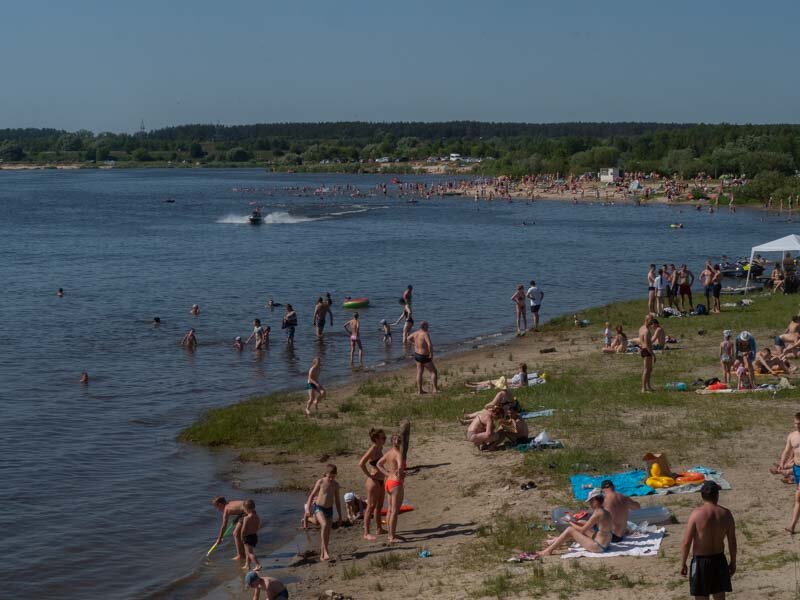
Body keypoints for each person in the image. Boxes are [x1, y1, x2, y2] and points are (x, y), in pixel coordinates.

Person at [680, 481, 736, 599]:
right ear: (717, 495)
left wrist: (683, 563)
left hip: (701, 562)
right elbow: (732, 542)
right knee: (720, 597)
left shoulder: (696, 515)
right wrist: (733, 562)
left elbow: (686, 542)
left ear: (702, 495)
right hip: (719, 560)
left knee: (701, 597)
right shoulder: (726, 514)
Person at [533, 488, 614, 558]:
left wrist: (569, 522)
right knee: (581, 522)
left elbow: (582, 530)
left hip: (598, 546)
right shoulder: (606, 511)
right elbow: (590, 525)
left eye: (591, 501)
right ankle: (556, 540)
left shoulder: (598, 512)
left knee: (570, 530)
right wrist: (575, 522)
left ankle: (548, 550)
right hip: (604, 543)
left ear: (595, 500)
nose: (590, 504)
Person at [305, 464, 343, 561]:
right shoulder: (321, 481)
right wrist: (307, 509)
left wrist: (340, 516)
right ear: (325, 474)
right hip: (319, 507)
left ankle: (322, 555)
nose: (331, 478)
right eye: (329, 476)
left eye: (333, 477)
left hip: (329, 509)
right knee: (324, 525)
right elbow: (312, 495)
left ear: (336, 475)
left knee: (327, 533)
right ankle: (326, 550)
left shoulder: (336, 485)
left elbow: (338, 501)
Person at [358, 428, 388, 540]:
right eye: (383, 438)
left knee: (379, 506)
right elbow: (361, 463)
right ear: (376, 439)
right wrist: (369, 475)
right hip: (373, 481)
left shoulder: (380, 448)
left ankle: (379, 528)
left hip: (381, 480)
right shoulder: (373, 449)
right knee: (370, 506)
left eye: (385, 437)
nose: (385, 439)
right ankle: (366, 533)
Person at [376, 434, 406, 543]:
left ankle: (390, 534)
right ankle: (391, 536)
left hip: (388, 482)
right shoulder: (398, 454)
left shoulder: (388, 453)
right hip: (396, 483)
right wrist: (401, 473)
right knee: (394, 511)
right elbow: (400, 467)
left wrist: (387, 474)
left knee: (389, 510)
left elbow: (379, 464)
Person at [778, 413, 800, 533]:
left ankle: (792, 526)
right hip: (797, 468)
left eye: (799, 424)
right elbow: (787, 450)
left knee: (798, 496)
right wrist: (782, 462)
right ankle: (792, 526)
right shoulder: (792, 436)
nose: (797, 426)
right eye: (796, 423)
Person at [407, 321, 439, 394]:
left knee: (419, 372)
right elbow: (430, 345)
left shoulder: (416, 333)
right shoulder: (425, 334)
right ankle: (435, 389)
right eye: (427, 326)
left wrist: (414, 343)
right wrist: (431, 354)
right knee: (433, 371)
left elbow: (408, 338)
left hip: (417, 355)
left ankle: (420, 390)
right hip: (424, 356)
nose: (428, 327)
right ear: (424, 326)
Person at [241, 499, 261, 571]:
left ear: (246, 509)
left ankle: (257, 565)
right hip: (254, 535)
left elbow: (243, 529)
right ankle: (247, 565)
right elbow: (258, 526)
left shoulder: (246, 518)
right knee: (248, 551)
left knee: (250, 553)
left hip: (247, 536)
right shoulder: (257, 517)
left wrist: (242, 536)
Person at [639, 315, 655, 392]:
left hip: (643, 350)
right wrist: (653, 354)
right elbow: (647, 344)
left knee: (649, 369)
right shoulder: (646, 331)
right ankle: (643, 388)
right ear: (647, 320)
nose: (652, 322)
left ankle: (648, 386)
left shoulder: (641, 328)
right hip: (647, 351)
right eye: (651, 320)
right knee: (646, 370)